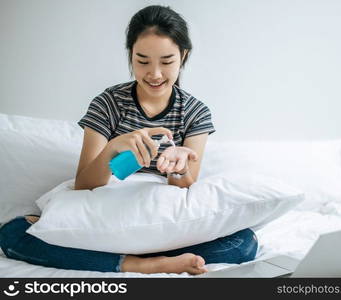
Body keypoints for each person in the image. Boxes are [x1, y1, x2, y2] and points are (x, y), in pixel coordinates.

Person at [0, 5, 258, 275]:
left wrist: (180, 166)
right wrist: (114, 147)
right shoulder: (109, 103)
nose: (155, 74)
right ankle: (141, 263)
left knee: (244, 243)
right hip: (104, 212)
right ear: (130, 56)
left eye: (167, 62)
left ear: (183, 56)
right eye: (143, 61)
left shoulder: (195, 112)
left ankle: (120, 254)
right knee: (13, 234)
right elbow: (85, 184)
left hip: (161, 218)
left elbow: (185, 190)